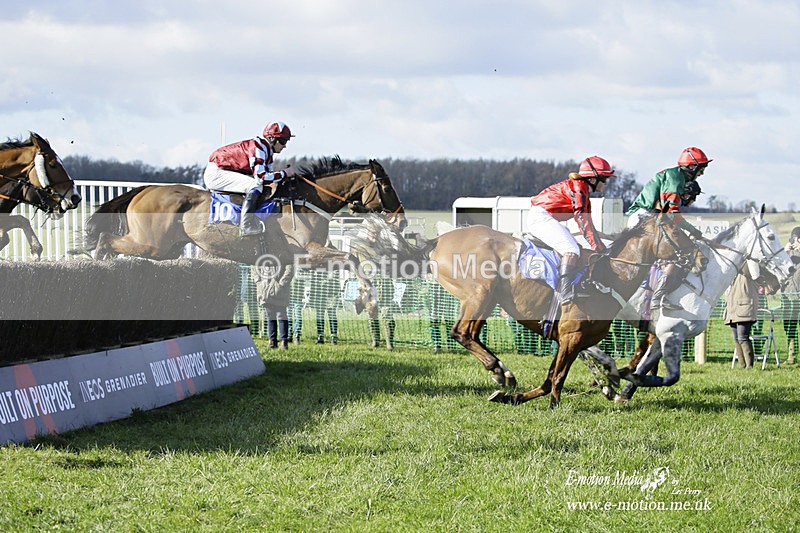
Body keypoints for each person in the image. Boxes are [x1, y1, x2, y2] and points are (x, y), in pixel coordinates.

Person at [626, 147, 711, 310]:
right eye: (701, 169)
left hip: (648, 215)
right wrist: (692, 230)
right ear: (692, 167)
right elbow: (672, 214)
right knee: (675, 254)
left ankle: (657, 293)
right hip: (644, 215)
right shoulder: (676, 178)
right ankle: (656, 296)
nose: (702, 174)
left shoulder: (676, 176)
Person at [526, 155, 613, 304]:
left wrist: (600, 247)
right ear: (592, 179)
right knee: (571, 250)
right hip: (541, 217)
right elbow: (582, 221)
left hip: (546, 217)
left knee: (577, 248)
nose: (605, 184)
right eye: (604, 179)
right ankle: (564, 293)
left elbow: (589, 225)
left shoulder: (582, 190)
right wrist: (599, 248)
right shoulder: (579, 189)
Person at [203, 121, 296, 236]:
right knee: (255, 185)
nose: (285, 145)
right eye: (283, 141)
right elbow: (262, 178)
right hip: (216, 173)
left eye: (286, 141)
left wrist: (284, 177)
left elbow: (270, 178)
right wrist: (285, 173)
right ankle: (246, 225)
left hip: (224, 170)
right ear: (272, 139)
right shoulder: (258, 148)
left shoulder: (267, 152)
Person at [253, 263, 294, 349]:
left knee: (281, 316)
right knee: (270, 316)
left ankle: (283, 341)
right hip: (265, 291)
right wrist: (259, 282)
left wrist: (280, 284)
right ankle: (272, 340)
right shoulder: (263, 253)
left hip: (280, 292)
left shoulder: (284, 253)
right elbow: (255, 268)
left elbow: (289, 269)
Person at [724, 271, 760, 369]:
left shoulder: (746, 271)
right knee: (737, 339)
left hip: (744, 309)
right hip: (732, 310)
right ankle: (742, 365)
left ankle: (749, 366)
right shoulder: (731, 274)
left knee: (743, 337)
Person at [781, 226, 800, 364]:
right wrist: (785, 252)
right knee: (789, 326)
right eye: (795, 239)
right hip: (787, 295)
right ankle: (791, 355)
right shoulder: (785, 254)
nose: (797, 242)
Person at [310, 270, 340, 345]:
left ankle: (334, 337)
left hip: (331, 292)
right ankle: (320, 336)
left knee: (332, 314)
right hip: (320, 292)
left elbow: (336, 275)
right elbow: (314, 277)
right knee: (320, 315)